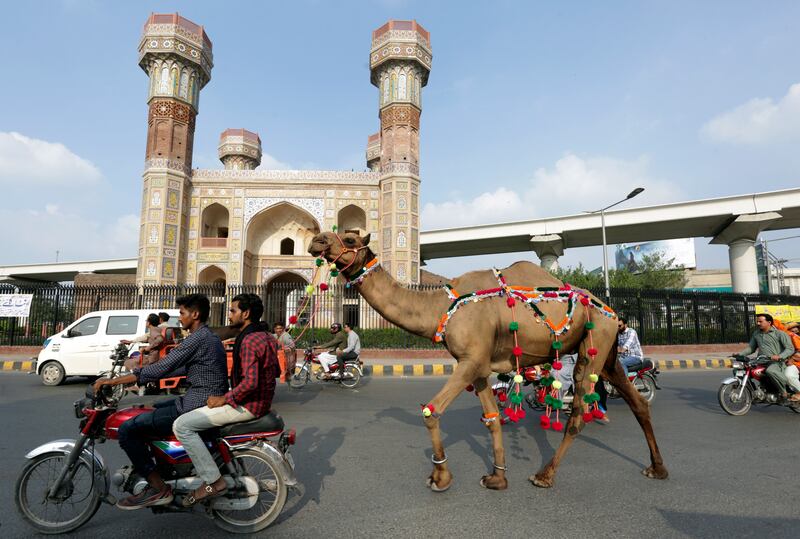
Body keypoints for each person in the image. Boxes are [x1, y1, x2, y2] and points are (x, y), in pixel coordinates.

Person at [93, 294, 228, 509]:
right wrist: (140, 374)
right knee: (152, 409)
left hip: (197, 402)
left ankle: (157, 487)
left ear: (195, 314)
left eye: (182, 313)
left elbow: (162, 367)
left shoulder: (198, 338)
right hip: (198, 397)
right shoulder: (206, 337)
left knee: (128, 429)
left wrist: (115, 380)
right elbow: (176, 368)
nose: (180, 318)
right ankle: (165, 467)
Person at [173, 293, 279, 507]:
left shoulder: (249, 340)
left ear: (246, 313)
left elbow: (250, 383)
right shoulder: (266, 336)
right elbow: (275, 371)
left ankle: (213, 481)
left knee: (182, 425)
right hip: (261, 402)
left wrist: (224, 399)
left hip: (248, 405)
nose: (229, 316)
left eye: (232, 311)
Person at [739, 313, 796, 400]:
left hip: (777, 362)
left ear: (769, 322)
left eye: (760, 321)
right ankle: (757, 391)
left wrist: (779, 356)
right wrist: (739, 354)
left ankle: (784, 391)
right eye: (757, 321)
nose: (758, 323)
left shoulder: (780, 334)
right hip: (761, 361)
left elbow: (790, 349)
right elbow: (751, 348)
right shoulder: (756, 334)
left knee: (770, 371)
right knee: (741, 370)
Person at [773, 319, 800, 401]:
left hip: (796, 363)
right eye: (792, 328)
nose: (794, 330)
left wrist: (791, 359)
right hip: (783, 362)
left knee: (789, 375)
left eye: (796, 327)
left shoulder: (793, 336)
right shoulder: (777, 336)